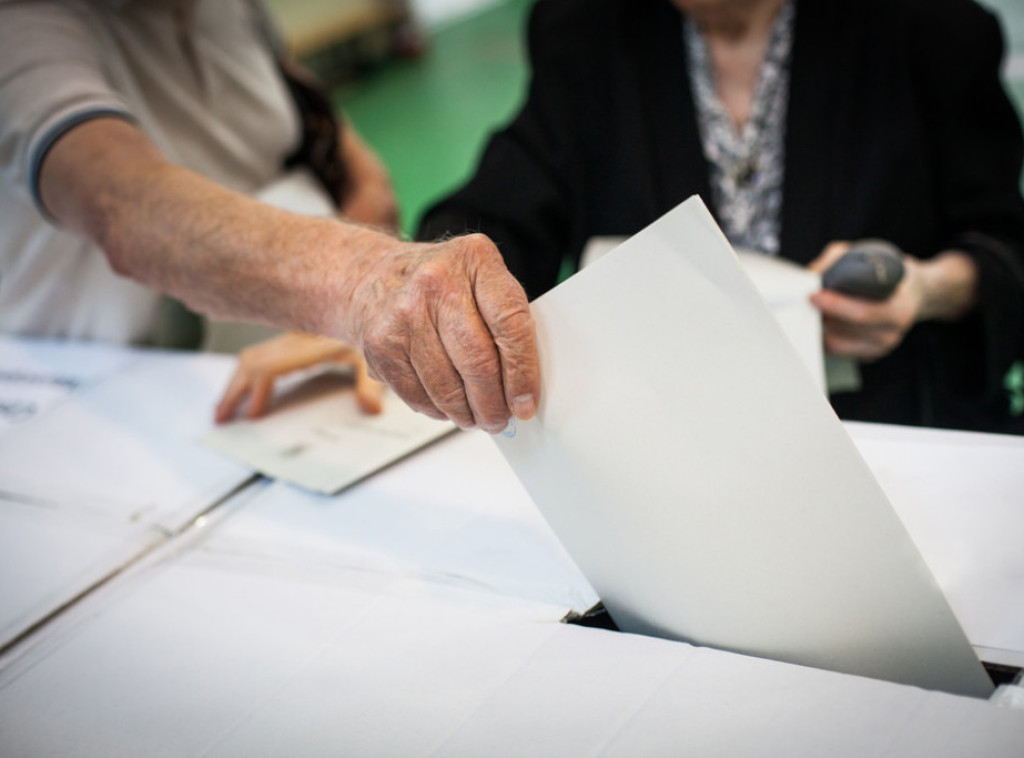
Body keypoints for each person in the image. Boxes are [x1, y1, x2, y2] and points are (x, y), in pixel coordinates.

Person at [418, 0, 1024, 434]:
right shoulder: (586, 29)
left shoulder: (928, 27)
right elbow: (501, 207)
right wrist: (441, 284)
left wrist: (927, 289)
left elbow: (1002, 244)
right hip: (669, 440)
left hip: (890, 430)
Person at [0, 0, 540, 434]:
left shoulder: (231, 11)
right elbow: (122, 203)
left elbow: (353, 164)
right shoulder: (22, 30)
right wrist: (365, 284)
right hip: (108, 390)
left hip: (288, 357)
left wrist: (338, 324)